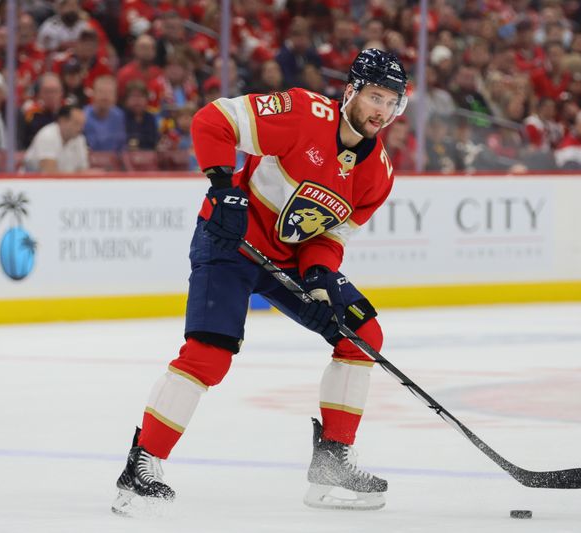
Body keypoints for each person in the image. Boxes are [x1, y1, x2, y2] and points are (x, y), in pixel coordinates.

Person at [111, 48, 408, 516]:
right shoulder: (302, 112)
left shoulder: (378, 174)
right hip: (230, 240)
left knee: (362, 336)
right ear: (350, 90)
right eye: (375, 97)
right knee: (210, 353)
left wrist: (318, 273)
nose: (382, 112)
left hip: (285, 260)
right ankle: (143, 462)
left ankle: (332, 461)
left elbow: (331, 234)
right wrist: (222, 186)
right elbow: (212, 121)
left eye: (393, 102)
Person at [23, 104, 88, 172]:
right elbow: (49, 172)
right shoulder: (48, 135)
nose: (81, 128)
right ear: (62, 121)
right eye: (76, 123)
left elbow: (82, 170)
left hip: (65, 181)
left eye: (82, 124)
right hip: (32, 181)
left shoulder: (79, 139)